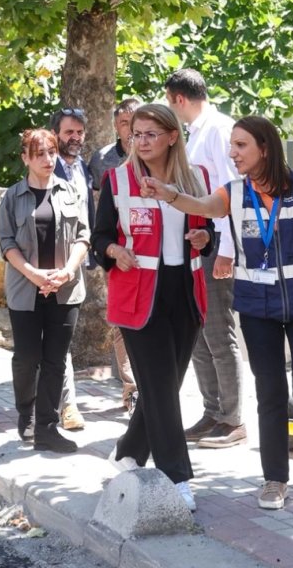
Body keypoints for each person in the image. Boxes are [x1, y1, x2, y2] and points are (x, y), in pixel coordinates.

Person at [141, 115, 293, 511]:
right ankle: (274, 480)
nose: (232, 153)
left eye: (241, 146)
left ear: (265, 149)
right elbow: (201, 205)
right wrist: (168, 194)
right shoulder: (234, 193)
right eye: (232, 145)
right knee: (270, 393)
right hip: (257, 308)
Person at [92, 103, 214, 512]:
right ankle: (176, 477)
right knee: (161, 388)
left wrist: (205, 241)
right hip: (138, 298)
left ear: (171, 137)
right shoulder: (117, 180)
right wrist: (113, 250)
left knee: (164, 387)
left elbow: (207, 229)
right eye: (135, 134)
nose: (141, 141)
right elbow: (99, 238)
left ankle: (128, 450)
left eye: (150, 134)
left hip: (184, 294)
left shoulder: (197, 179)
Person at [165, 68, 246, 449]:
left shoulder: (218, 131)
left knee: (217, 331)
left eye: (170, 101)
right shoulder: (196, 133)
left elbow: (231, 193)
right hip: (198, 244)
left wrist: (226, 251)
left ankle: (232, 418)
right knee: (197, 332)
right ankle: (212, 411)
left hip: (217, 246)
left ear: (179, 98)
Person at [0, 129, 90, 453]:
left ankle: (47, 428)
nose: (48, 160)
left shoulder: (69, 191)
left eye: (51, 152)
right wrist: (33, 274)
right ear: (26, 158)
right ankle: (27, 415)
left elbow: (82, 235)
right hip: (26, 289)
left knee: (55, 361)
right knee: (26, 357)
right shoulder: (12, 196)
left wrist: (67, 271)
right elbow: (6, 242)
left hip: (65, 290)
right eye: (40, 154)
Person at [88, 98, 142, 413]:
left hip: (155, 252)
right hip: (117, 251)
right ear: (116, 126)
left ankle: (154, 385)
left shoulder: (159, 155)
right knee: (123, 320)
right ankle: (131, 389)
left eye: (135, 120)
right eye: (124, 122)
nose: (130, 128)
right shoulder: (102, 160)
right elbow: (99, 210)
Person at [49, 107, 94, 432]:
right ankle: (66, 405)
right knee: (56, 337)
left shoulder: (84, 168)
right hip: (50, 264)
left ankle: (59, 401)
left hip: (78, 262)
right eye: (69, 132)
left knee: (60, 336)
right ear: (56, 134)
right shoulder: (46, 168)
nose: (75, 137)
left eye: (79, 132)